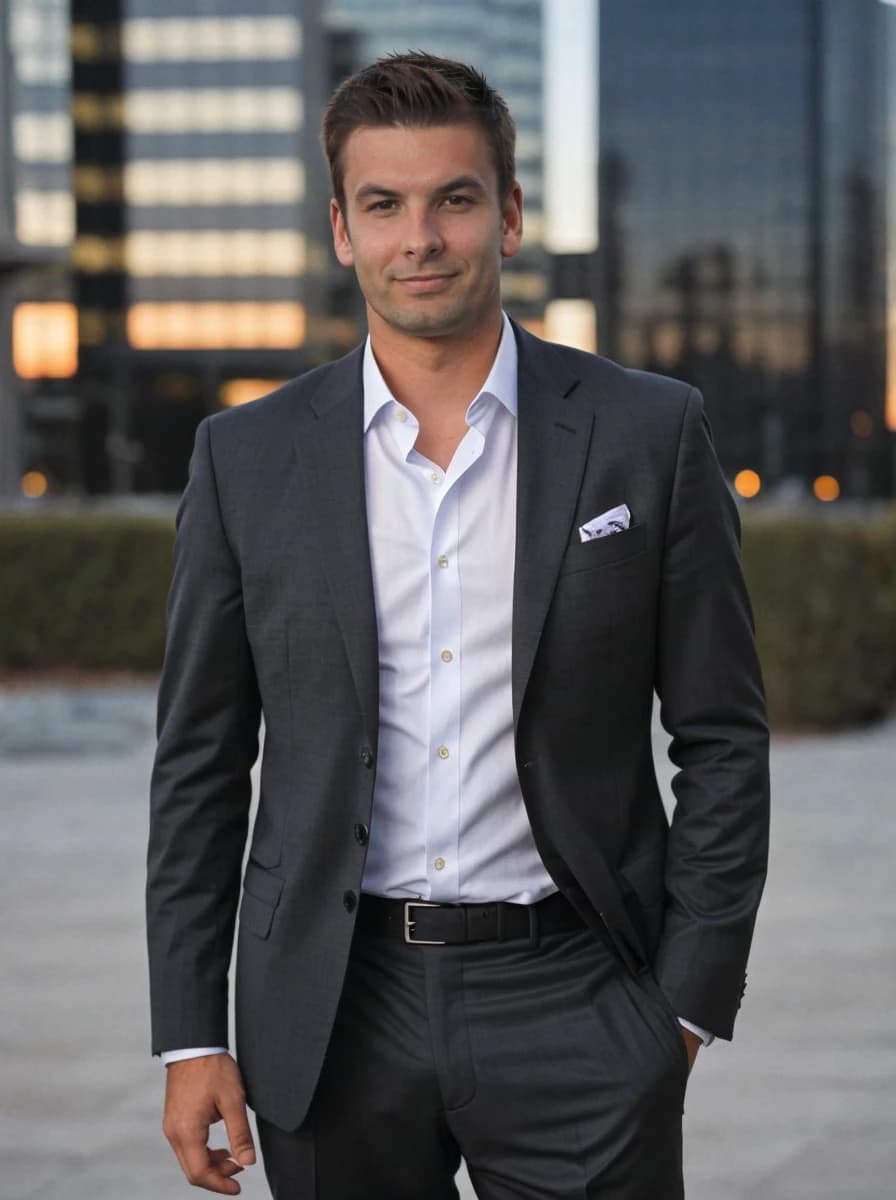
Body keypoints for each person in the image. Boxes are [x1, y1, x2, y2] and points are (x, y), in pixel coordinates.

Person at [147, 52, 770, 1199]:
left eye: (453, 198)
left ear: (509, 215)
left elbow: (722, 737)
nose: (418, 237)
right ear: (341, 229)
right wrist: (192, 1036)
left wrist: (682, 1007)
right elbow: (198, 762)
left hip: (578, 994)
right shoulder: (245, 457)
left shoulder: (647, 433)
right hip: (331, 1009)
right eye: (382, 204)